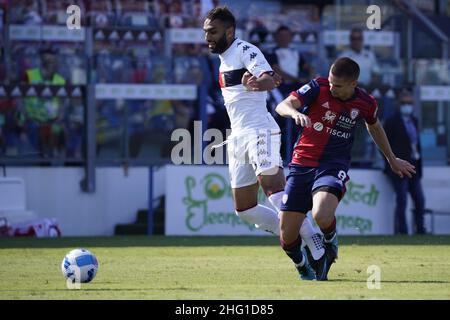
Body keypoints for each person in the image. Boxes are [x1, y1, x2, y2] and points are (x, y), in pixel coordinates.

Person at [203, 6, 323, 280]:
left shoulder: (245, 48)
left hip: (260, 131)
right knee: (244, 209)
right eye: (206, 32)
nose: (207, 37)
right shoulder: (223, 58)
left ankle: (312, 238)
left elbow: (269, 78)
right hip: (238, 137)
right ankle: (293, 231)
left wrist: (260, 83)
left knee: (274, 191)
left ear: (229, 31)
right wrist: (255, 82)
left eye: (213, 32)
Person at [275, 57, 416, 280]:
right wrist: (295, 113)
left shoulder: (366, 102)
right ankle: (303, 264)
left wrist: (391, 158)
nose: (332, 88)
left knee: (321, 214)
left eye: (338, 85)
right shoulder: (317, 87)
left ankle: (330, 241)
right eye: (331, 82)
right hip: (301, 163)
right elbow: (282, 105)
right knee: (287, 237)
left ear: (353, 83)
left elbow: (375, 127)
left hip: (333, 164)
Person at [383, 89, 425, 234]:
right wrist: (391, 163)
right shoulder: (391, 122)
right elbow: (382, 145)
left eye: (410, 103)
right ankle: (402, 231)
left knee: (420, 200)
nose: (407, 105)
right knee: (402, 201)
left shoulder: (414, 120)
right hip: (399, 167)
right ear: (398, 104)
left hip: (414, 166)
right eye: (404, 103)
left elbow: (416, 144)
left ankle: (420, 230)